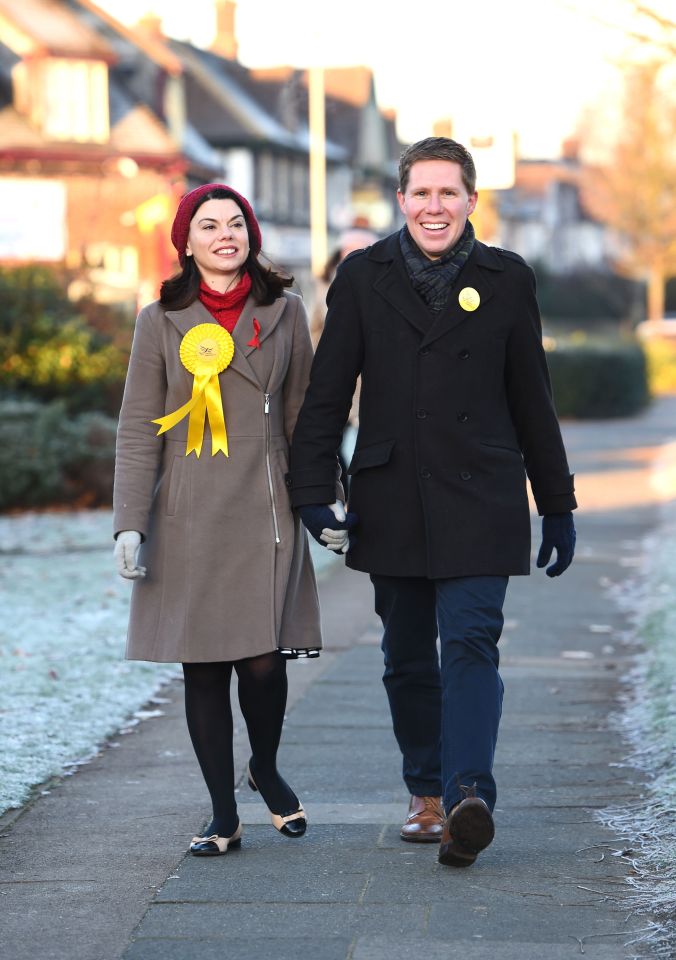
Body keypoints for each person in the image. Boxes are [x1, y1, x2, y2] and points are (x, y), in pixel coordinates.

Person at [287, 138, 577, 868]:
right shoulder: (362, 276)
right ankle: (425, 789)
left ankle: (467, 794)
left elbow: (531, 398)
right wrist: (314, 491)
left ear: (473, 201)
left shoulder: (507, 278)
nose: (435, 206)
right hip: (392, 494)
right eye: (422, 193)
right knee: (407, 654)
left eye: (449, 193)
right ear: (401, 199)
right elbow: (327, 393)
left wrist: (559, 501)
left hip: (483, 492)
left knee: (474, 642)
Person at [113, 183, 334, 857]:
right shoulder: (160, 319)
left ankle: (263, 767)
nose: (225, 234)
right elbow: (137, 427)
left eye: (236, 222)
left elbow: (305, 415)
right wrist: (130, 521)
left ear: (251, 233)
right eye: (209, 225)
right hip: (186, 512)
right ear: (187, 242)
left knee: (264, 663)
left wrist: (322, 499)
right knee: (203, 668)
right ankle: (221, 814)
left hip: (264, 502)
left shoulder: (286, 311)